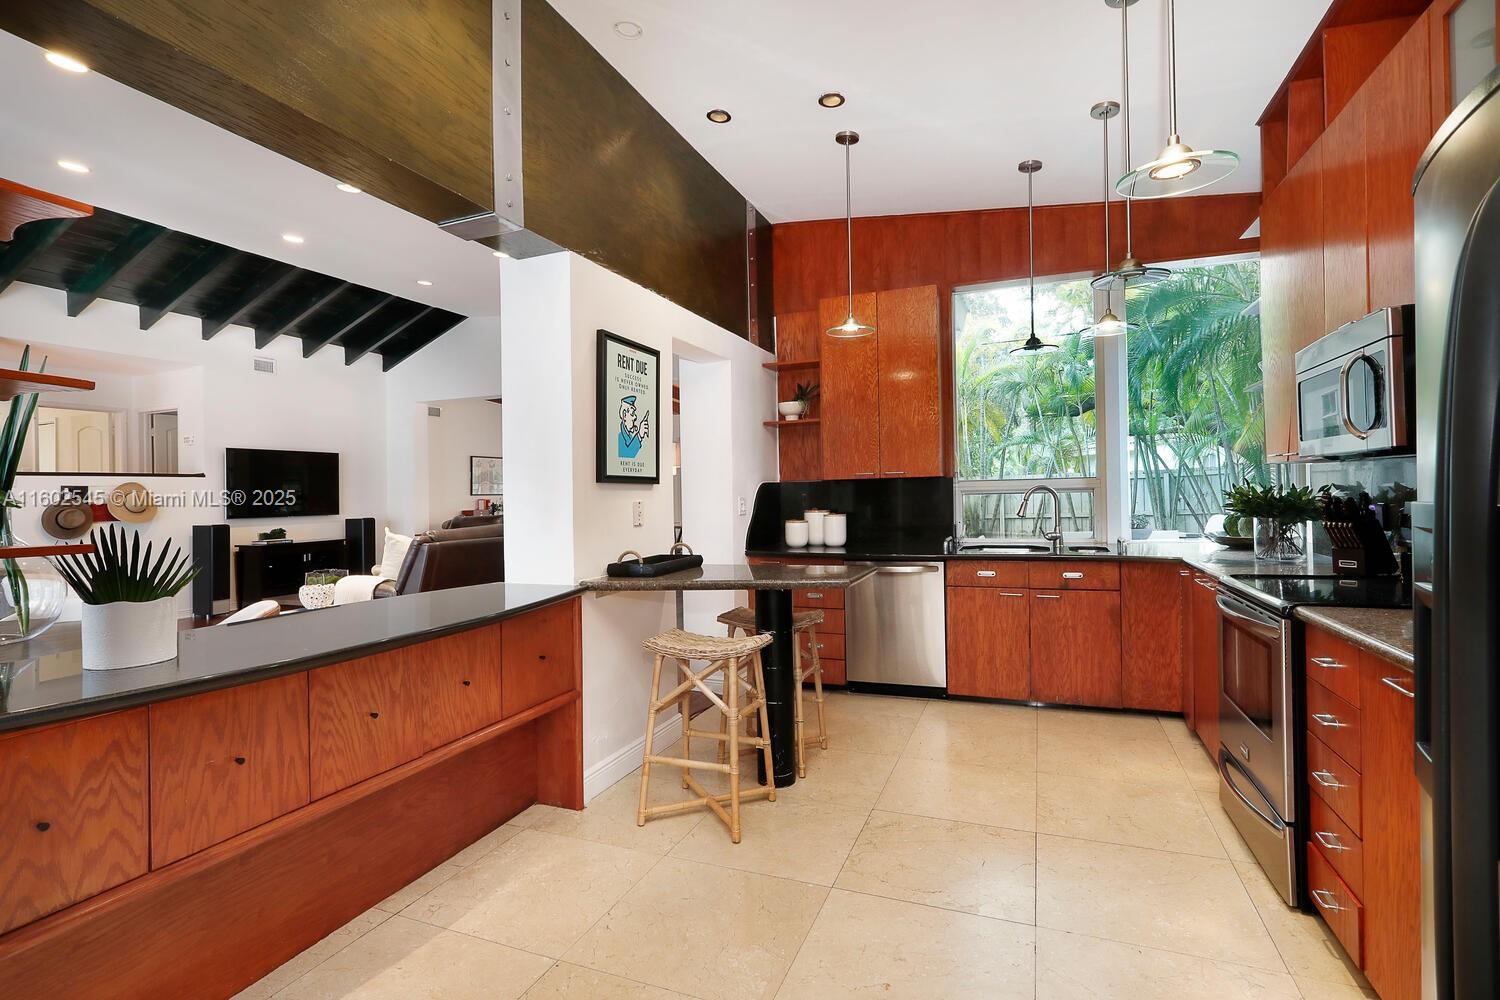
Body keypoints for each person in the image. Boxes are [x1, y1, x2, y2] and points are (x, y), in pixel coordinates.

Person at [617, 394, 650, 459]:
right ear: (624, 415)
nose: (635, 417)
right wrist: (640, 435)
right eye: (632, 414)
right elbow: (627, 454)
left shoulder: (630, 436)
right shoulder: (620, 437)